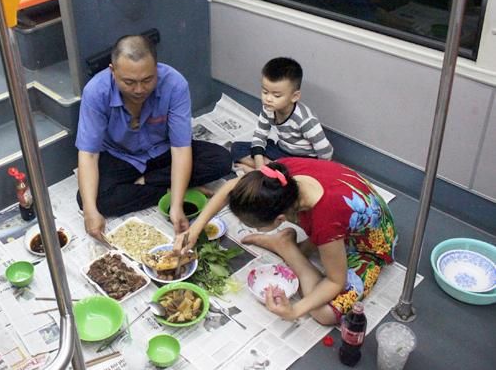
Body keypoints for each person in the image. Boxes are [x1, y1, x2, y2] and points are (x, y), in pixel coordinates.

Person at [175, 159, 396, 325]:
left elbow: (335, 282)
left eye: (256, 225)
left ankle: (286, 246)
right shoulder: (277, 177)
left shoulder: (325, 218)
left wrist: (294, 311)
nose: (254, 228)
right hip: (340, 213)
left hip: (367, 245)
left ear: (280, 220)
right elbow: (231, 187)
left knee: (324, 314)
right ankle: (294, 244)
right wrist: (195, 228)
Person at [76, 35, 231, 240]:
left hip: (163, 151)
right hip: (121, 155)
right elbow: (89, 154)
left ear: (156, 68)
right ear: (113, 71)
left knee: (221, 159)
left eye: (147, 80)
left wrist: (176, 205)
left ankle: (151, 184)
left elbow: (180, 148)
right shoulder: (96, 91)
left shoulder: (174, 84)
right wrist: (90, 212)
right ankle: (167, 189)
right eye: (129, 82)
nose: (139, 90)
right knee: (91, 199)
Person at [231, 58, 333, 170]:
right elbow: (259, 136)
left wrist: (317, 171)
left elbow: (326, 151)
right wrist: (260, 167)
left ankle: (276, 169)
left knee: (301, 171)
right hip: (281, 150)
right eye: (265, 92)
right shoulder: (268, 108)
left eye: (276, 96)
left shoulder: (305, 120)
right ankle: (273, 169)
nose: (268, 99)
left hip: (302, 158)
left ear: (294, 96)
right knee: (237, 148)